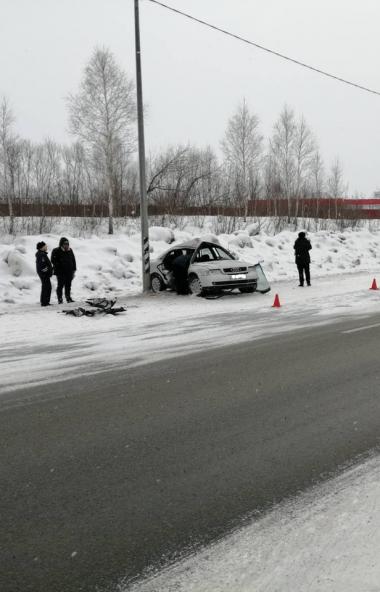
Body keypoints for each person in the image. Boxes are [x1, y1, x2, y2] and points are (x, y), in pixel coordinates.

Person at [51, 237, 77, 303]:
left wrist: (74, 269)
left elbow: (73, 260)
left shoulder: (70, 250)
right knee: (60, 286)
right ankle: (60, 299)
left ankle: (68, 298)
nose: (66, 245)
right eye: (65, 243)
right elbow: (53, 260)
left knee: (68, 285)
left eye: (67, 244)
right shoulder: (56, 250)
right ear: (61, 244)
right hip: (60, 272)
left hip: (69, 271)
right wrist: (59, 264)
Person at [35, 241, 53, 306]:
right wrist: (47, 271)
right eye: (45, 246)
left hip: (44, 274)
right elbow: (41, 266)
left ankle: (45, 302)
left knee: (46, 287)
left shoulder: (42, 254)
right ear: (41, 247)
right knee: (47, 287)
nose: (46, 247)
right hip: (44, 274)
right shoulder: (41, 255)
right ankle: (44, 302)